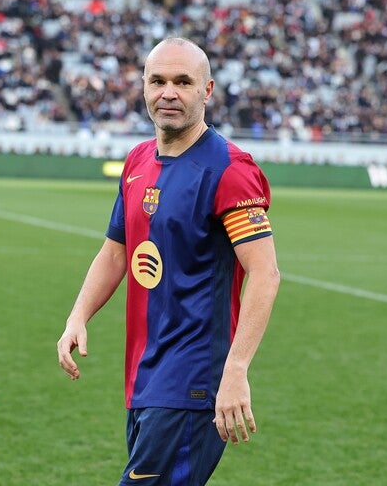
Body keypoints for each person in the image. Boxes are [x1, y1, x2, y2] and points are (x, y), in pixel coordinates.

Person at [57, 37, 280, 485]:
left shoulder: (230, 170)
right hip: (144, 374)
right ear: (143, 86)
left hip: (193, 378)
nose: (169, 93)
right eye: (157, 81)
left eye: (183, 82)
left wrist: (236, 369)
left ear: (207, 90)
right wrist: (78, 316)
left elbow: (265, 273)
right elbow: (116, 250)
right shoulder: (138, 160)